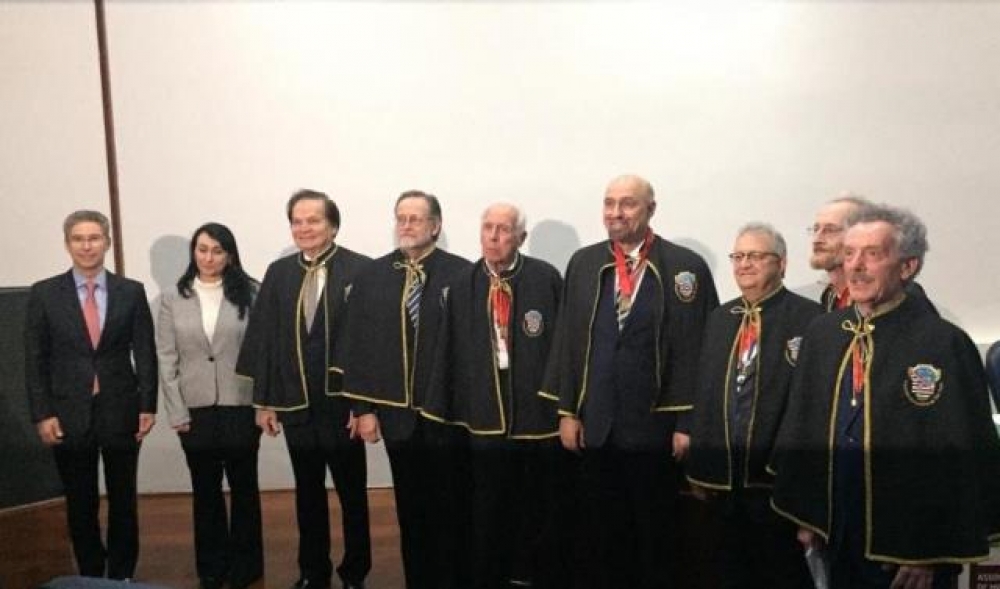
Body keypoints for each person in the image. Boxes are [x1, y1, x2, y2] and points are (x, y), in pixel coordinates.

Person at [771, 204, 1000, 589]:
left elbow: (961, 457)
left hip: (910, 550)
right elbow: (803, 429)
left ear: (908, 266)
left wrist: (929, 551)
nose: (856, 266)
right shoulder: (823, 334)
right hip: (837, 532)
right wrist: (808, 515)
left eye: (872, 254)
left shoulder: (945, 344)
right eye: (849, 254)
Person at [549, 174, 719, 588]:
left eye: (627, 203)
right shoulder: (584, 263)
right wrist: (568, 410)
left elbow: (700, 351)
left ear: (650, 209)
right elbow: (568, 341)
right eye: (609, 203)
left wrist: (687, 423)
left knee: (656, 535)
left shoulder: (685, 267)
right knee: (602, 535)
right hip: (598, 425)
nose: (616, 212)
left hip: (655, 429)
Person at [422, 203, 564, 589]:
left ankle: (531, 573)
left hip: (536, 416)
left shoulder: (546, 278)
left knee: (535, 502)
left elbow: (562, 346)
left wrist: (562, 403)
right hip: (482, 414)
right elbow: (448, 350)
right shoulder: (462, 285)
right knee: (487, 504)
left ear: (521, 237)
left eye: (503, 229)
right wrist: (442, 411)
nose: (494, 237)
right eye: (488, 228)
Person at [236, 190, 371, 589]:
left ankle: (355, 572)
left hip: (343, 407)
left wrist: (363, 406)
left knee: (352, 495)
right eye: (297, 221)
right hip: (296, 403)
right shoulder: (279, 273)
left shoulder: (361, 270)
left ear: (333, 225)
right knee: (307, 494)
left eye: (313, 220)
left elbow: (369, 345)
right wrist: (264, 403)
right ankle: (313, 571)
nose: (304, 228)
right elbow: (265, 339)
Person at [342, 190, 472, 589]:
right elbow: (357, 346)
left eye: (416, 218)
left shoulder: (463, 274)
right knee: (411, 509)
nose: (407, 225)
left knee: (453, 506)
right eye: (401, 218)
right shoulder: (372, 277)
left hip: (447, 416)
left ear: (436, 225)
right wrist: (363, 409)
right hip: (398, 417)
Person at [682, 223, 820, 589]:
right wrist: (700, 466)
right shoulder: (720, 318)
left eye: (756, 256)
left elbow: (812, 406)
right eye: (738, 256)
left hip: (775, 483)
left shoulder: (811, 319)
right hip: (724, 482)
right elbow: (706, 393)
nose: (745, 264)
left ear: (782, 263)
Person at [24, 210, 157, 580]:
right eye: (79, 239)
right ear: (68, 244)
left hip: (121, 408)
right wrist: (42, 413)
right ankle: (90, 574)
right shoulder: (44, 293)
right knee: (79, 501)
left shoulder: (131, 291)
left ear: (107, 242)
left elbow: (145, 352)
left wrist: (147, 404)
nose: (87, 246)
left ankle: (122, 575)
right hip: (67, 412)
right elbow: (35, 360)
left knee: (123, 498)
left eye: (94, 238)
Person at [156, 222, 262, 589]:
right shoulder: (172, 297)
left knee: (244, 487)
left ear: (230, 255)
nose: (209, 257)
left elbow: (262, 352)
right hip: (195, 407)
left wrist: (263, 405)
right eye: (202, 249)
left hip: (241, 404)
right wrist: (176, 410)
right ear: (193, 252)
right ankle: (212, 566)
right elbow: (166, 358)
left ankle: (247, 565)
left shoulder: (251, 292)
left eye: (217, 251)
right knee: (205, 490)